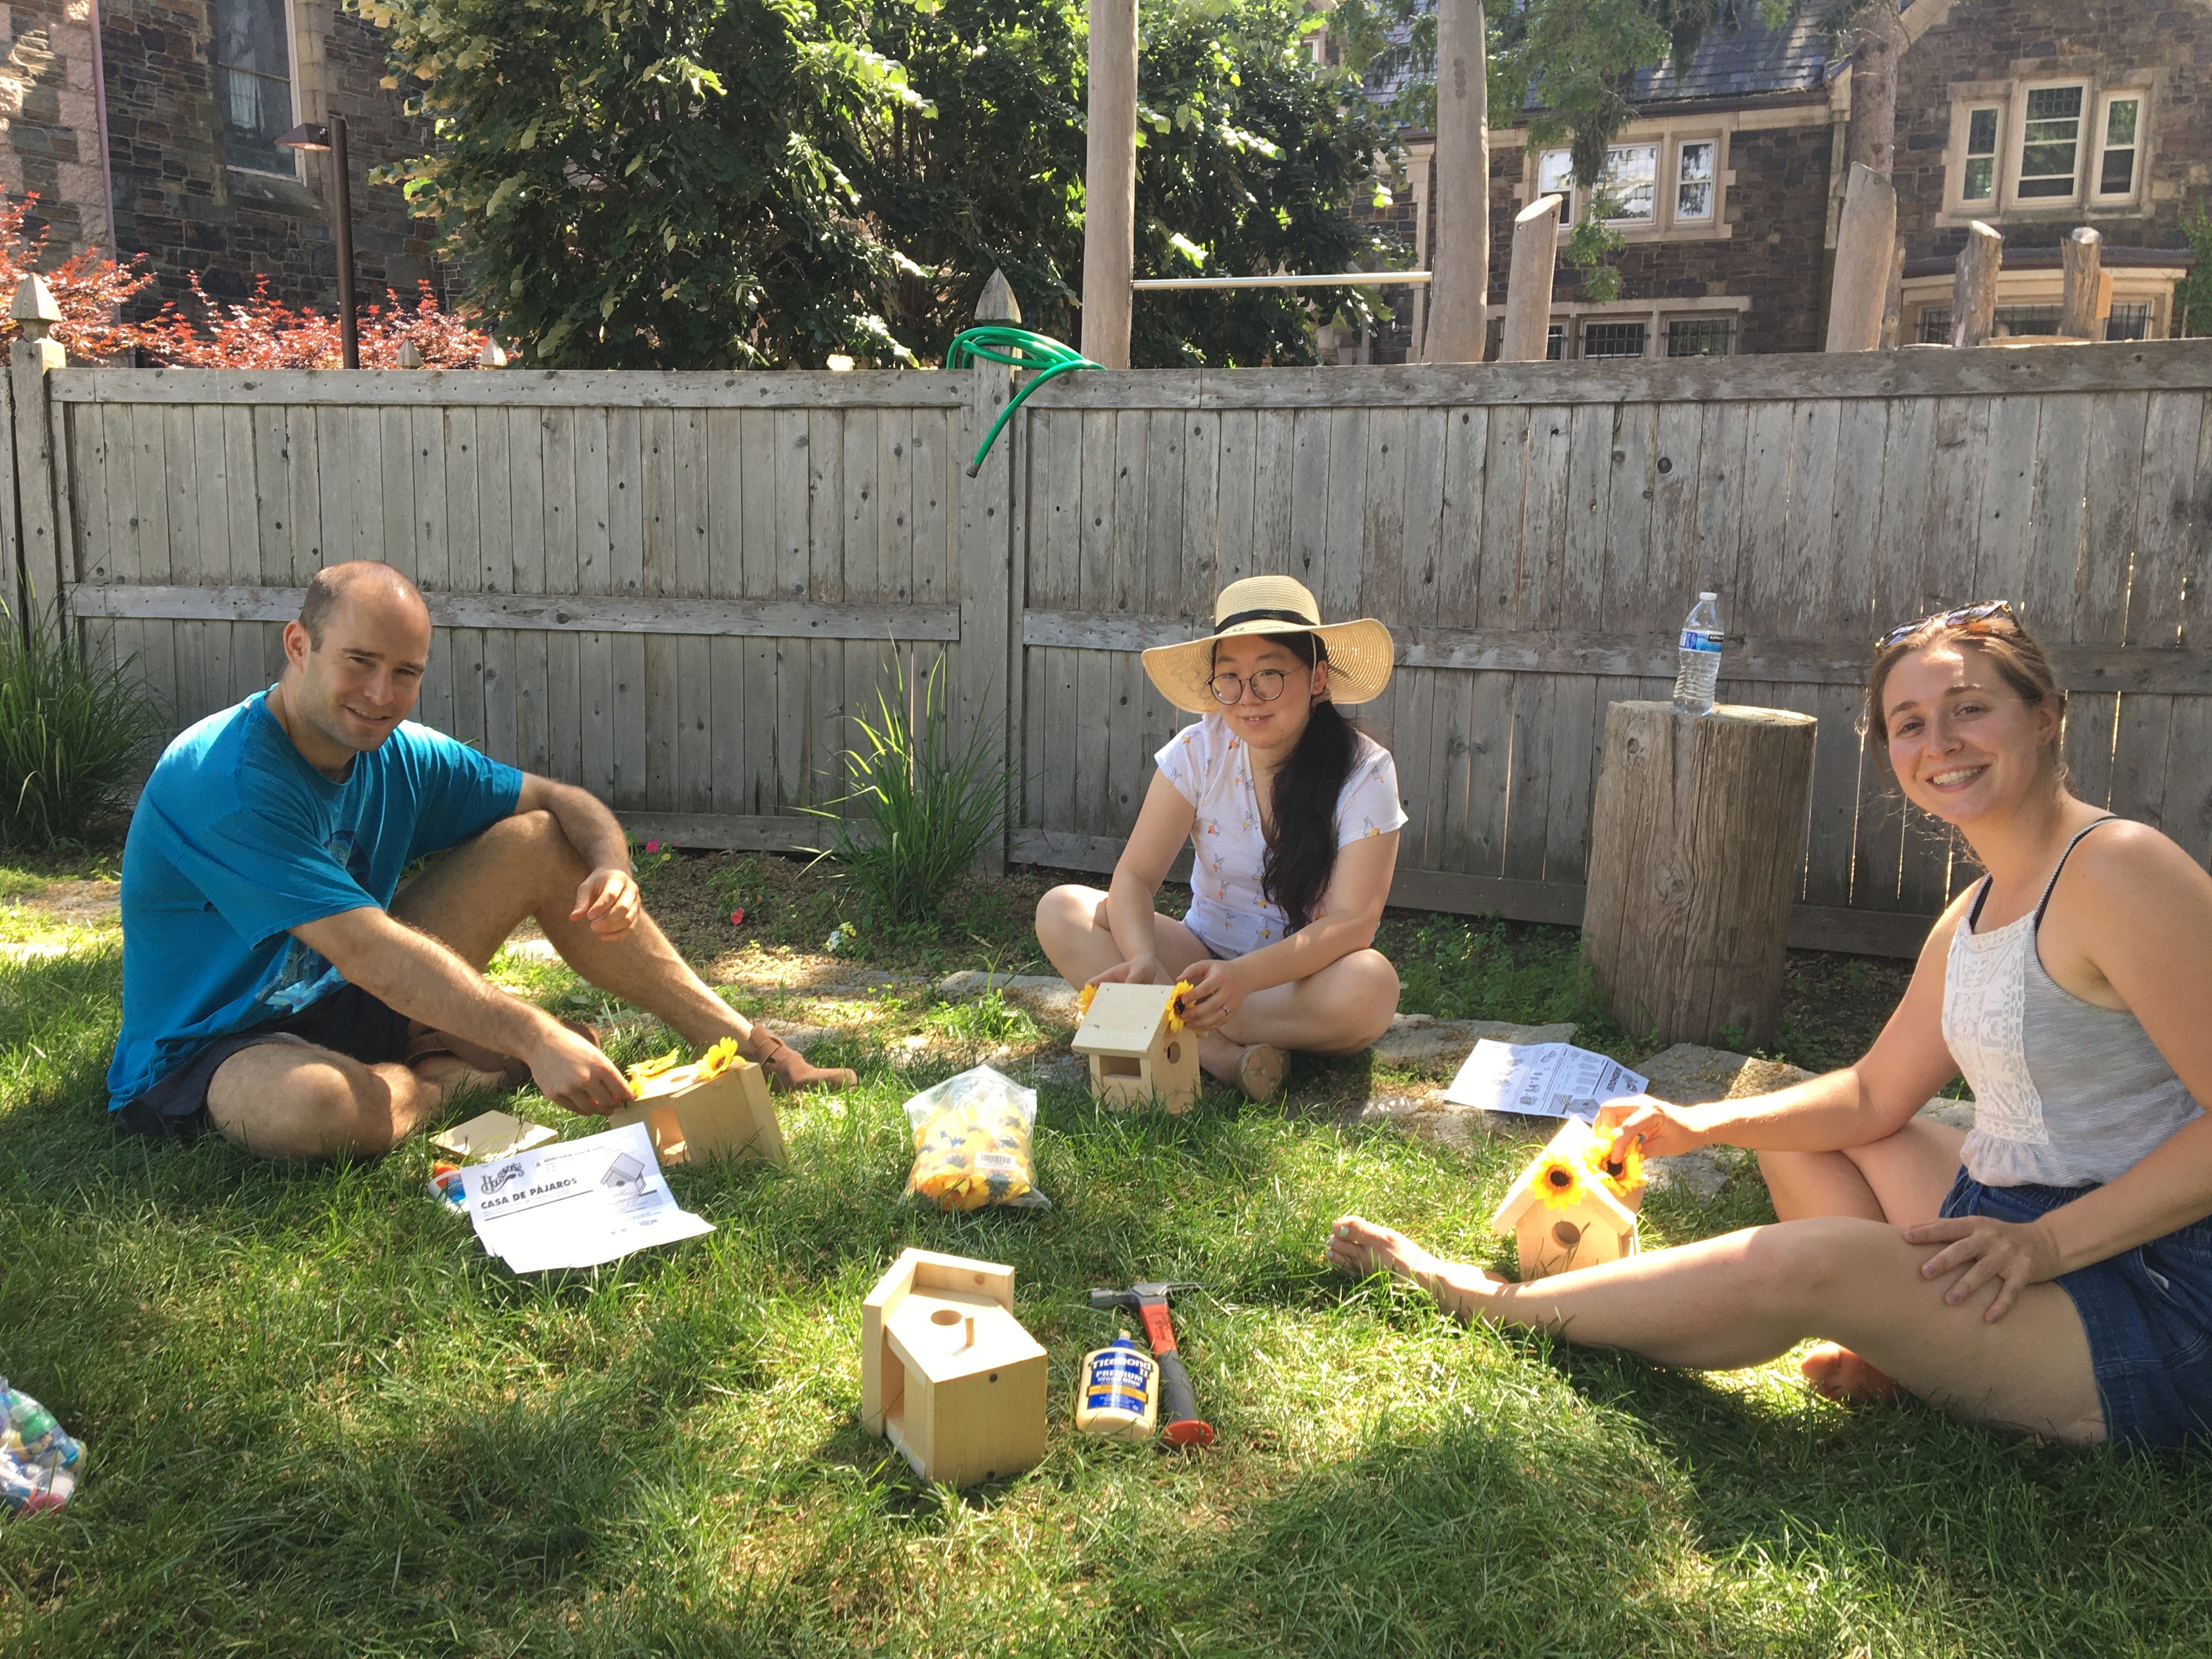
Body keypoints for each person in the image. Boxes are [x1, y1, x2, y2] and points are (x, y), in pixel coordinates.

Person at [1329, 602, 2212, 1451]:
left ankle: (1487, 1301)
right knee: (1792, 1137)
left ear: (2046, 716)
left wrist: (2047, 1244)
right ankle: (1905, 1354)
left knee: (1813, 1260)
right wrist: (1694, 1124)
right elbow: (1872, 1094)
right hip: (2010, 1223)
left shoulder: (2118, 870)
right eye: (1909, 724)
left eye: (1970, 710)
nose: (1939, 743)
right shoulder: (1975, 913)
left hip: (2151, 1287)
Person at [108, 560, 855, 1161]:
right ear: (299, 646)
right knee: (317, 1109)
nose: (381, 694)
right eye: (360, 662)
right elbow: (365, 949)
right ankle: (443, 1081)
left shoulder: (399, 753)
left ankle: (750, 1049)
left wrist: (614, 867)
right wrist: (531, 1035)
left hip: (347, 999)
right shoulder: (226, 780)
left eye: (405, 672)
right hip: (211, 1048)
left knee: (535, 839)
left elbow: (560, 800)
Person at [1036, 575, 1406, 1101]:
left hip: (1299, 984)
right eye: (1229, 678)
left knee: (1372, 986)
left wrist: (1244, 981)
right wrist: (1143, 957)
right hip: (1201, 957)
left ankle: (1180, 1022)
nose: (1246, 699)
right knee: (1062, 909)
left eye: (1269, 676)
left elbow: (1354, 924)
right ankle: (1226, 1060)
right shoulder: (1198, 751)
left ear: (1318, 677)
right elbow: (1135, 877)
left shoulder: (1365, 771)